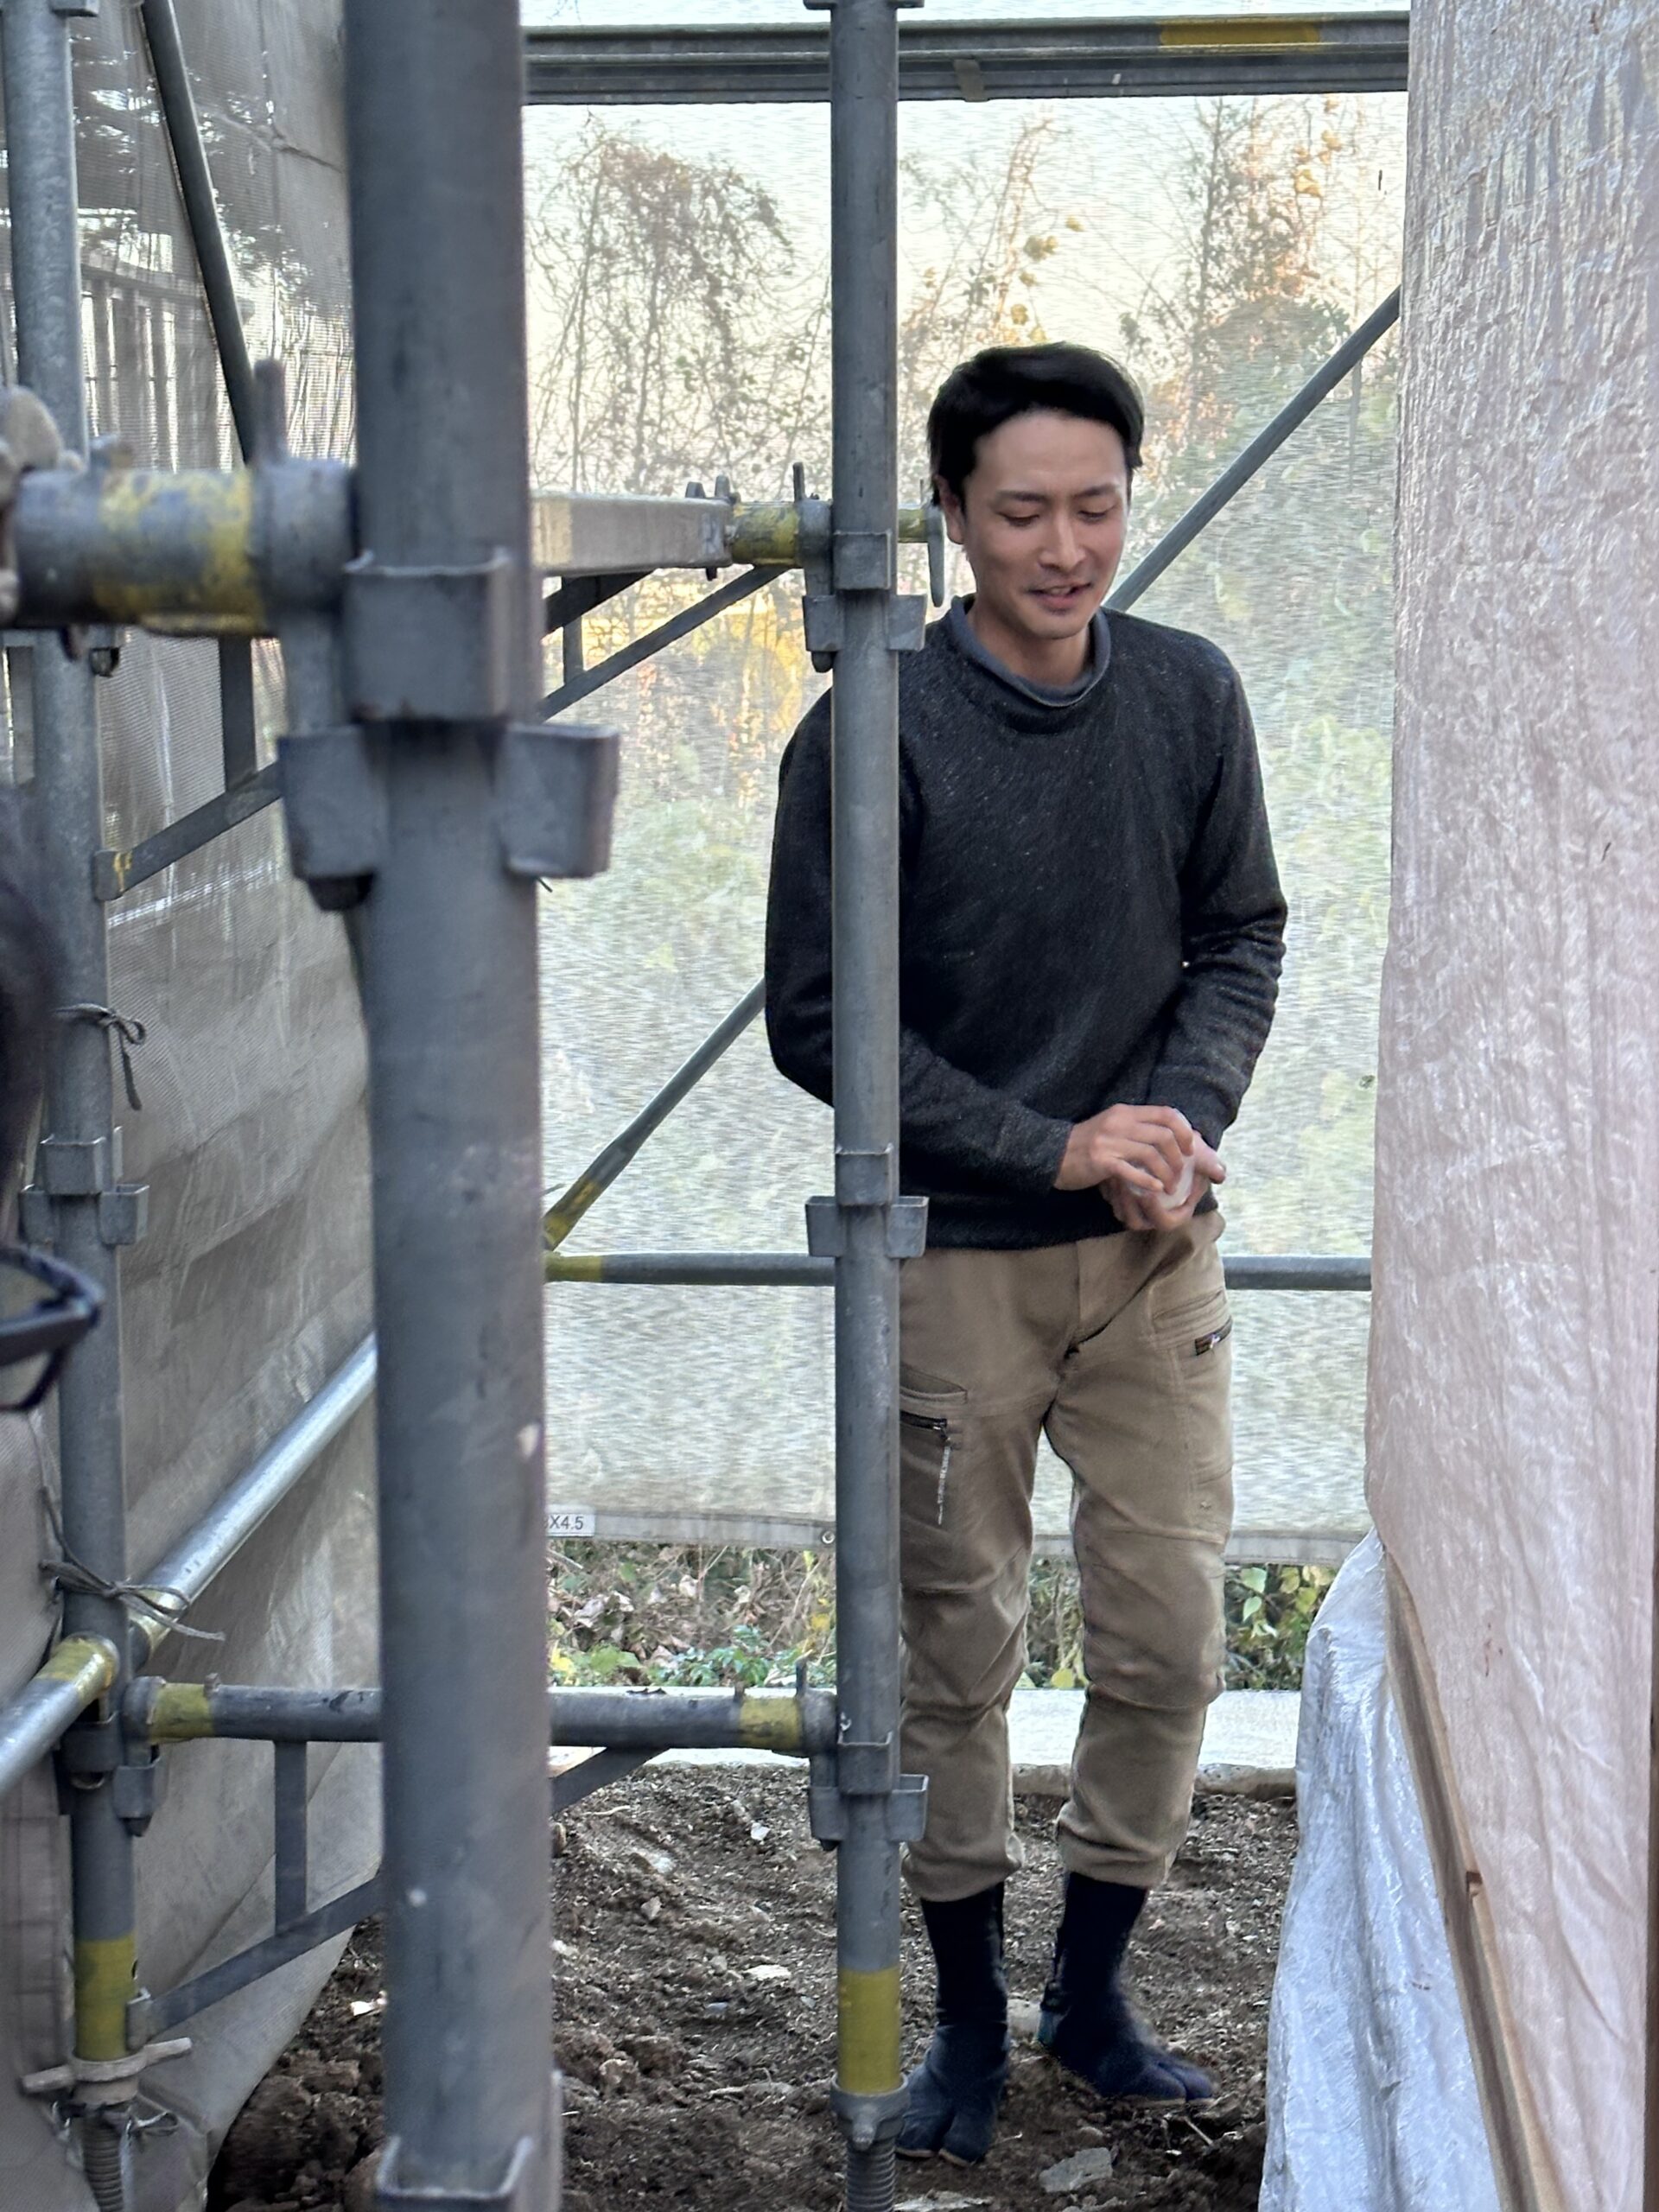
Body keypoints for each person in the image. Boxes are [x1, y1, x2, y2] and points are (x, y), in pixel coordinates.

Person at [765, 341, 1286, 2164]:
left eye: (1096, 507)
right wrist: (1051, 1143)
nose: (1065, 549)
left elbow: (1241, 934)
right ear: (951, 517)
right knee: (953, 1657)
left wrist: (1175, 1120)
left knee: (1172, 1639)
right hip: (955, 1259)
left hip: (1155, 1257)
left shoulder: (1189, 695)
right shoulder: (872, 725)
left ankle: (1093, 1990)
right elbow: (823, 1019)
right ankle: (971, 2023)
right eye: (1021, 514)